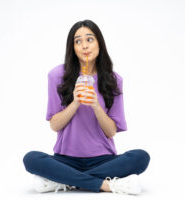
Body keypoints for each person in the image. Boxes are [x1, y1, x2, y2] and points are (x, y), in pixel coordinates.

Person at [23, 19, 150, 195]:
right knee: (31, 159)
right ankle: (107, 185)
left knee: (141, 157)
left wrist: (96, 105)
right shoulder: (57, 76)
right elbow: (54, 125)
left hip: (104, 160)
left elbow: (111, 131)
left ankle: (62, 180)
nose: (84, 46)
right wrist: (75, 103)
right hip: (65, 159)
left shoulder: (114, 80)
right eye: (78, 41)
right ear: (73, 48)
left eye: (89, 39)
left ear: (99, 43)